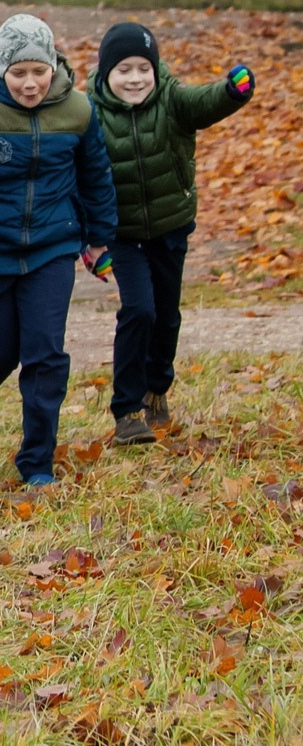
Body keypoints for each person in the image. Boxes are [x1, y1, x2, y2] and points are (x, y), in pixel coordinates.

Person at [0, 14, 118, 486]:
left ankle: (36, 460)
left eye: (39, 71)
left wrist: (99, 237)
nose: (29, 84)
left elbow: (96, 177)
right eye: (18, 73)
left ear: (53, 65)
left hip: (52, 249)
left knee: (45, 353)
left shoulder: (78, 112)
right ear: (1, 68)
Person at [87, 22, 254, 443]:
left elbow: (205, 101)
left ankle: (156, 388)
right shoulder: (88, 112)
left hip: (170, 226)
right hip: (122, 234)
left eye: (144, 68)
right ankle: (126, 410)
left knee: (166, 316)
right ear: (106, 72)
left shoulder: (172, 99)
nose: (135, 78)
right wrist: (90, 242)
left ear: (156, 70)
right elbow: (78, 179)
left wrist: (233, 91)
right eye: (124, 69)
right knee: (139, 310)